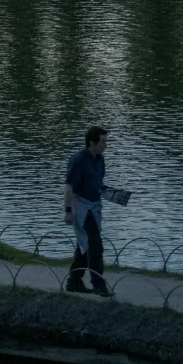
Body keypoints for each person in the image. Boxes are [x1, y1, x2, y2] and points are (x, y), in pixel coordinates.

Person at [64, 126, 129, 295]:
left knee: (84, 245)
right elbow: (69, 186)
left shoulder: (100, 159)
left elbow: (98, 184)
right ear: (92, 143)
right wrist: (68, 211)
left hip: (95, 205)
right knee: (95, 245)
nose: (105, 145)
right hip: (81, 206)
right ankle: (99, 286)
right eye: (103, 142)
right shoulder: (77, 160)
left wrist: (113, 193)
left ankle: (73, 281)